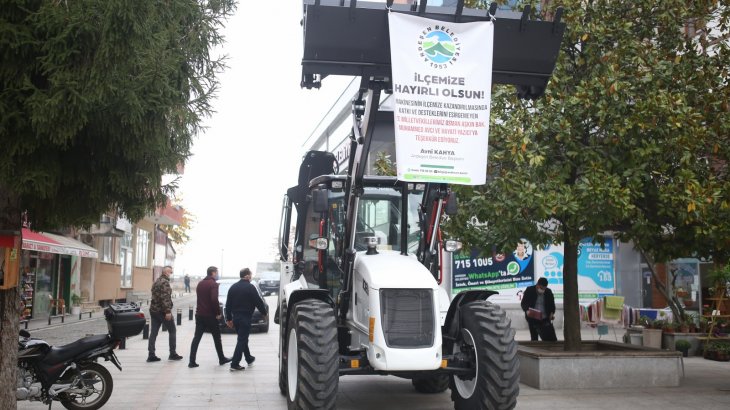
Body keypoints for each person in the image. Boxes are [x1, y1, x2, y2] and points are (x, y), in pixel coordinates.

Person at [225, 268, 268, 371]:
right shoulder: (250, 287)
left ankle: (249, 358)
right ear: (247, 276)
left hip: (236, 318)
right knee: (242, 340)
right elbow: (258, 302)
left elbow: (228, 305)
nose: (251, 277)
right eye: (251, 275)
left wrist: (229, 319)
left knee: (242, 338)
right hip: (245, 318)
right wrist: (264, 313)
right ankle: (234, 364)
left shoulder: (233, 287)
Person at [188, 266, 231, 368]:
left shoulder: (200, 283)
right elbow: (214, 300)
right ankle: (221, 358)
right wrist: (217, 313)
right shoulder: (213, 284)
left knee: (196, 338)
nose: (217, 274)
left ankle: (191, 361)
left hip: (199, 315)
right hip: (210, 316)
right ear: (213, 273)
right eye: (217, 272)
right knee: (217, 338)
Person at [148, 266, 183, 362]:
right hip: (162, 311)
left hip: (153, 310)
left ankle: (151, 355)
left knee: (154, 332)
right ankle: (172, 353)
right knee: (172, 330)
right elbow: (165, 298)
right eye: (170, 272)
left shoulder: (156, 281)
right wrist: (167, 312)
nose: (171, 274)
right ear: (166, 272)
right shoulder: (165, 282)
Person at [520, 277, 557, 341]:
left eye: (544, 289)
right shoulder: (529, 290)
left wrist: (551, 313)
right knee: (534, 338)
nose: (542, 290)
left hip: (545, 318)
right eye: (541, 288)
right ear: (537, 285)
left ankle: (548, 350)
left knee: (549, 338)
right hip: (533, 318)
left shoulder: (548, 292)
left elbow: (552, 305)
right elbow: (524, 303)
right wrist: (527, 310)